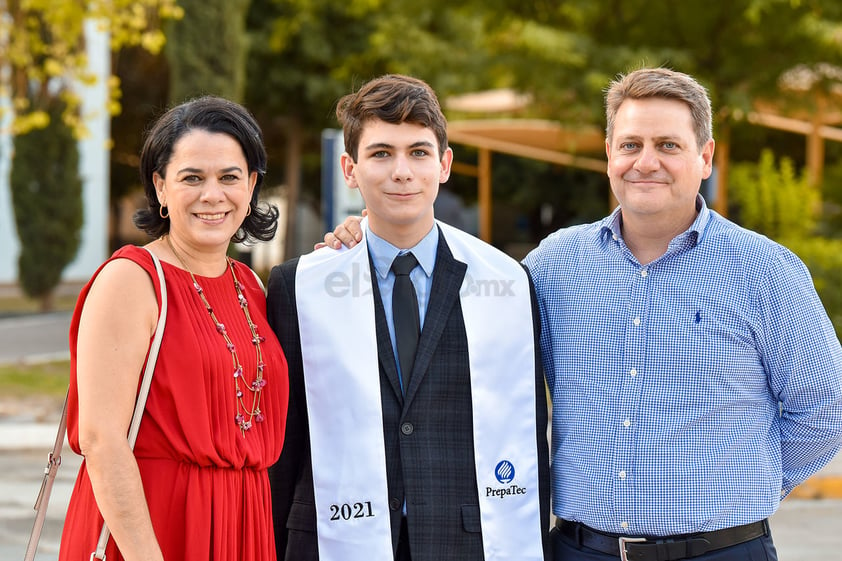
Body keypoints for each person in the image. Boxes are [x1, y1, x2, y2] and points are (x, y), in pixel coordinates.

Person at [326, 67, 842, 561]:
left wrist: (745, 482)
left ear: (704, 156)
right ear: (609, 154)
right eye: (631, 144)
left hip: (724, 551)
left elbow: (826, 408)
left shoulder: (766, 271)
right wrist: (368, 237)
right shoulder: (552, 266)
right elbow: (463, 355)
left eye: (668, 145)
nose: (646, 161)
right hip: (579, 551)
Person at [267, 74, 550, 561]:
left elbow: (528, 431)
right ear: (350, 169)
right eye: (381, 153)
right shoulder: (301, 285)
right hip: (330, 537)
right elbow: (283, 444)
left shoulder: (504, 281)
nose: (402, 171)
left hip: (464, 539)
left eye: (418, 152)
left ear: (444, 165)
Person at [58, 96, 289, 561]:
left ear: (252, 185)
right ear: (161, 186)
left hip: (243, 523)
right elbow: (104, 442)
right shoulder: (131, 279)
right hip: (151, 529)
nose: (212, 194)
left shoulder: (251, 287)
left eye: (229, 177)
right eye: (192, 178)